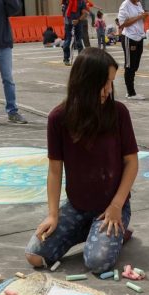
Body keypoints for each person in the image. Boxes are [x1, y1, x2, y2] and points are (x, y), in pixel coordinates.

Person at [26, 48, 138, 274]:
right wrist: (53, 214)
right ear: (85, 82)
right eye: (104, 82)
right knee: (35, 256)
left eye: (111, 83)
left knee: (98, 263)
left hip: (112, 206)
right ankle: (92, 231)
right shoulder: (58, 118)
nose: (109, 89)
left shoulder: (118, 113)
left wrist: (116, 205)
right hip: (77, 206)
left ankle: (113, 230)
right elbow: (55, 171)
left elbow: (132, 163)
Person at [118, 0, 147, 99]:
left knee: (135, 65)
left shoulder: (138, 4)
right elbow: (122, 23)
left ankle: (130, 90)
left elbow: (141, 20)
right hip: (130, 37)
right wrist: (139, 17)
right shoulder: (126, 4)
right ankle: (131, 92)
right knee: (129, 65)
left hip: (139, 37)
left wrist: (144, 16)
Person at [61, 0, 88, 66]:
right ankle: (67, 59)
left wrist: (77, 20)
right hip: (69, 24)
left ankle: (78, 59)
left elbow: (85, 14)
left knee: (78, 41)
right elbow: (63, 12)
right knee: (68, 41)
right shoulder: (66, 1)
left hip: (76, 23)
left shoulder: (81, 2)